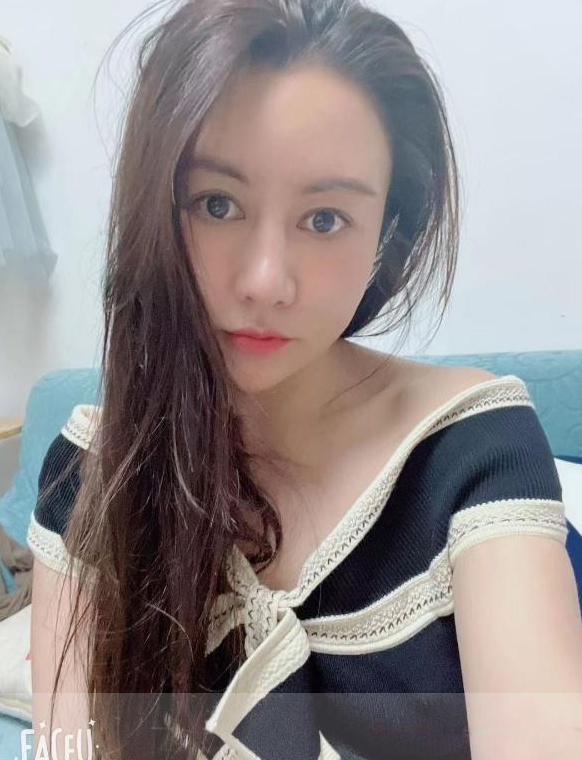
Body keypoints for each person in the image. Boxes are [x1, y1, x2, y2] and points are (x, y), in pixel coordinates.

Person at [26, 1, 582, 758]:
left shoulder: (472, 453)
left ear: (389, 231)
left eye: (324, 219)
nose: (265, 281)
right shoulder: (96, 471)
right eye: (217, 204)